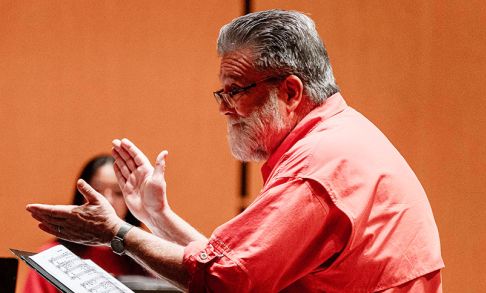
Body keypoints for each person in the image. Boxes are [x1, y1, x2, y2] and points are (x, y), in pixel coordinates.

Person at [27, 9, 444, 292]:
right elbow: (235, 266)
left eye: (235, 91)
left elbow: (226, 281)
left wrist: (116, 233)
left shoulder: (318, 166)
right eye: (221, 92)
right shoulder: (338, 137)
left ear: (291, 92)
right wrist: (157, 216)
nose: (224, 108)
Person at [23, 155, 147, 293]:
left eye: (118, 193)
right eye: (97, 191)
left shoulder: (145, 259)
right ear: (81, 196)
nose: (107, 201)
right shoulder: (51, 256)